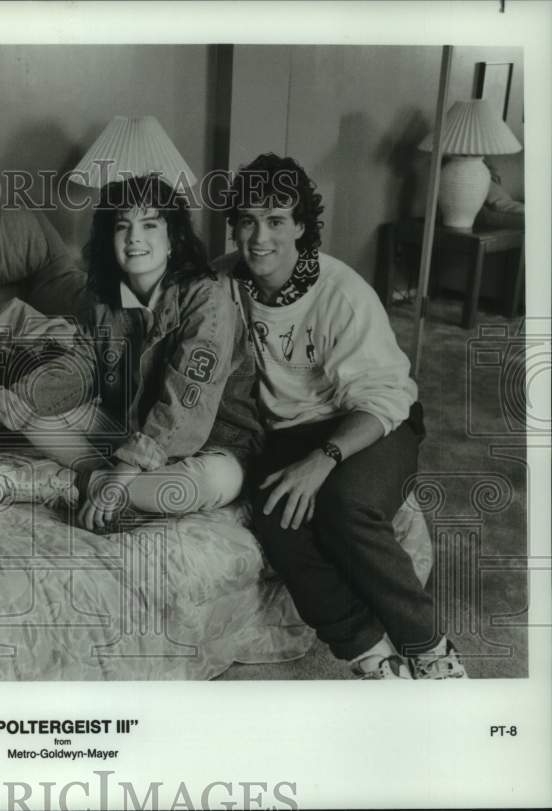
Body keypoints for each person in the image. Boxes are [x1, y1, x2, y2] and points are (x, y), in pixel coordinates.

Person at [224, 152, 467, 680]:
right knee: (277, 513)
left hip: (372, 421)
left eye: (276, 221)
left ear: (301, 228)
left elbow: (383, 398)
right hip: (290, 430)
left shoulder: (342, 293)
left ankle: (431, 651)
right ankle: (372, 654)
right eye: (247, 221)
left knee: (343, 503)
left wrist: (325, 458)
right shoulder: (226, 288)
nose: (259, 238)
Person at [0, 175, 262, 533]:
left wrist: (118, 479)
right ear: (110, 239)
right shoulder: (105, 301)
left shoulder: (208, 298)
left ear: (173, 240)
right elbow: (73, 373)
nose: (134, 237)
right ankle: (102, 482)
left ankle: (69, 483)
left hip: (211, 445)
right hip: (129, 432)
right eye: (123, 226)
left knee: (209, 484)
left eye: (150, 224)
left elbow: (186, 403)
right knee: (35, 407)